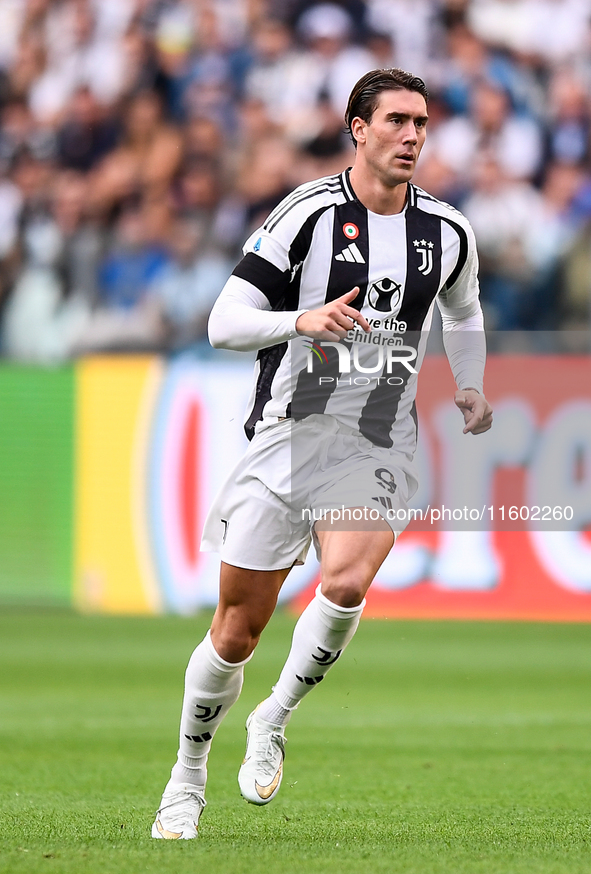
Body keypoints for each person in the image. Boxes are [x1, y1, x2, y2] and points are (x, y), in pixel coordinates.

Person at [152, 67, 493, 840]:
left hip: (374, 439)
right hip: (285, 438)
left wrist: (467, 385)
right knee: (236, 628)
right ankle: (187, 773)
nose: (412, 135)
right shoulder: (304, 213)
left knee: (345, 580)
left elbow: (464, 309)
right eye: (397, 121)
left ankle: (272, 715)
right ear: (358, 129)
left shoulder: (446, 231)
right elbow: (223, 323)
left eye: (422, 123)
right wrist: (298, 322)